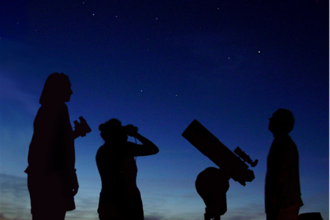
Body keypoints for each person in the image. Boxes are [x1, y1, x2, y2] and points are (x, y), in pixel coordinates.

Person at [25, 73, 90, 220]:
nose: (71, 91)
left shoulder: (47, 109)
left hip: (43, 175)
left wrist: (75, 134)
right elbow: (58, 147)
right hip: (52, 177)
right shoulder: (59, 108)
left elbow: (56, 142)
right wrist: (70, 175)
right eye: (68, 87)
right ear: (58, 89)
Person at [96, 119, 159, 220]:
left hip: (107, 200)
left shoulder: (101, 150)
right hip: (128, 201)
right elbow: (153, 149)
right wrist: (136, 135)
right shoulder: (124, 147)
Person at [265, 108, 303, 220]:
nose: (270, 119)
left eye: (274, 117)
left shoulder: (282, 143)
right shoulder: (285, 142)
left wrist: (274, 201)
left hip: (282, 205)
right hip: (284, 203)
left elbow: (280, 173)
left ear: (281, 122)